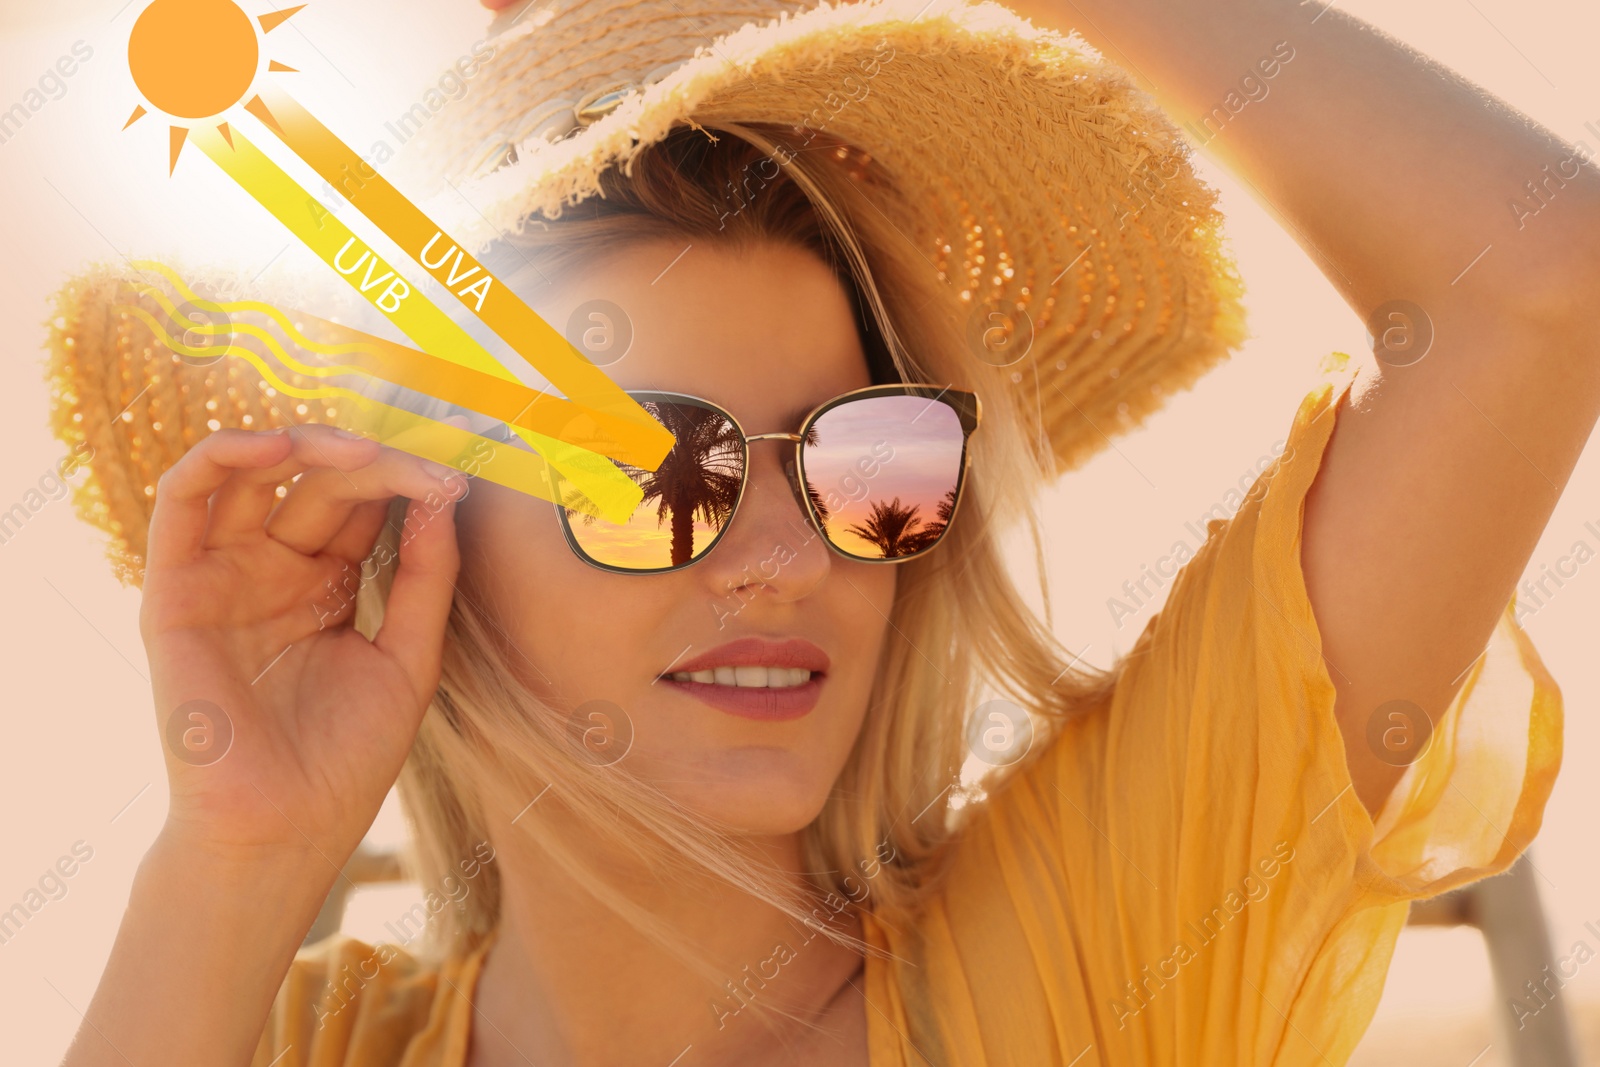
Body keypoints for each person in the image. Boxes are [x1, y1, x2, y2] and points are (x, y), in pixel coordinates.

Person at [47, 0, 1594, 1063]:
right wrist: (234, 854)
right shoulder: (306, 1035)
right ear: (416, 538)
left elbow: (1533, 291)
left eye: (869, 462)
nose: (788, 556)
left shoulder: (1095, 946)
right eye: (653, 470)